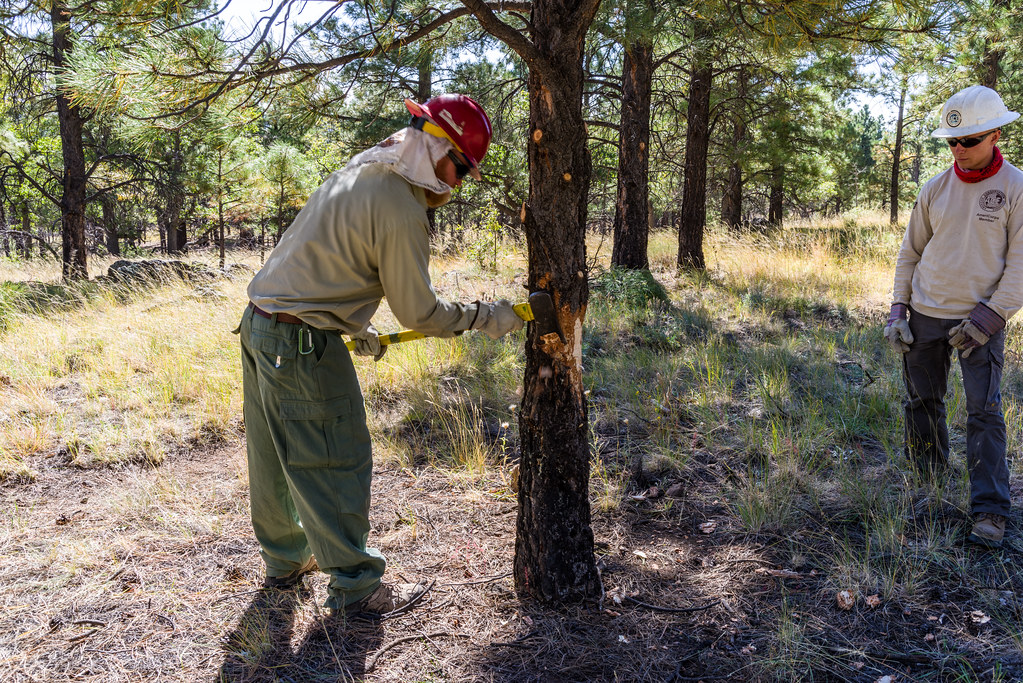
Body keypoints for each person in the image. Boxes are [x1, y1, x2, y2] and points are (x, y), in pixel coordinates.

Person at [237, 94, 524, 614]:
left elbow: (333, 253)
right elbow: (420, 313)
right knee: (337, 456)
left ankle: (285, 560)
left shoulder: (367, 165)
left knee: (276, 455)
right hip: (302, 342)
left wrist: (353, 320)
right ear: (438, 145)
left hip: (261, 325)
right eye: (460, 168)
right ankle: (357, 588)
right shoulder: (400, 204)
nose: (457, 184)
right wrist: (485, 317)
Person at [885, 84, 1022, 549]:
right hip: (924, 314)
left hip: (980, 323)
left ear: (995, 134)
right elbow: (909, 254)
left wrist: (989, 318)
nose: (959, 150)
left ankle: (990, 509)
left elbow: (1021, 266)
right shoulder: (934, 189)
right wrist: (898, 310)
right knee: (922, 405)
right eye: (952, 141)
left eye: (970, 140)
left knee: (984, 414)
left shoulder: (1016, 188)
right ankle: (927, 484)